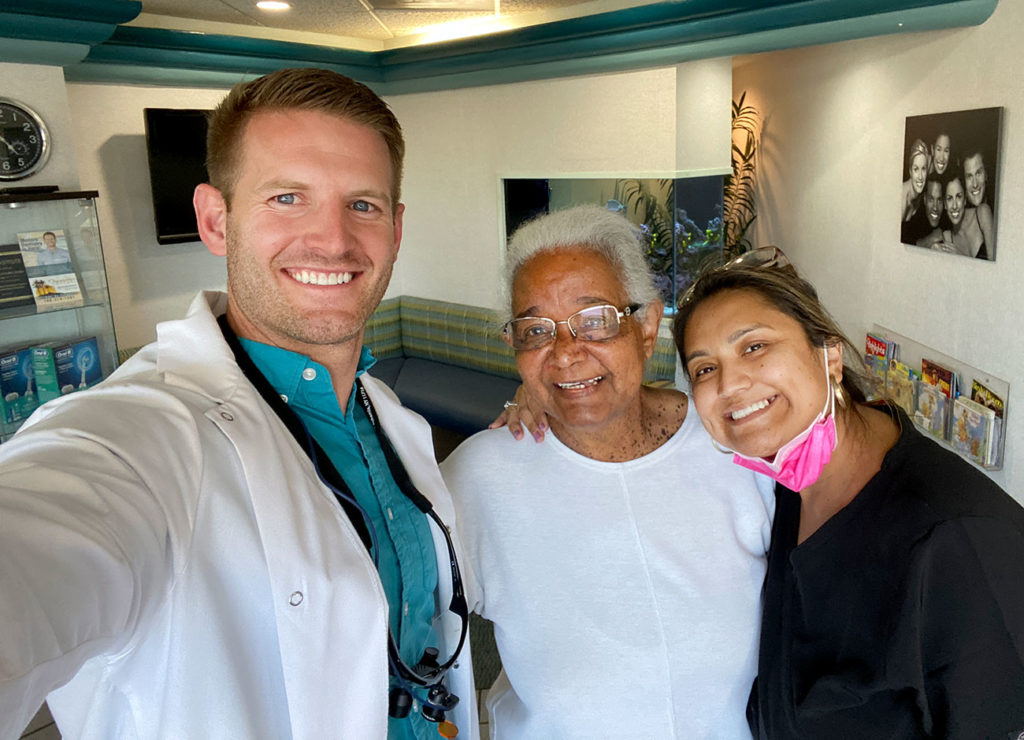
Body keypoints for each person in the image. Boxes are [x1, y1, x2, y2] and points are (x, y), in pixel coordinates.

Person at [0, 68, 476, 740]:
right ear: (215, 220)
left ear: (396, 229)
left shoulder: (386, 415)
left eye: (362, 205)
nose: (333, 239)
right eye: (287, 197)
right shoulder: (140, 440)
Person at [441, 205, 774, 739]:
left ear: (645, 328)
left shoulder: (731, 447)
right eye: (536, 330)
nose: (566, 354)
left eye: (594, 320)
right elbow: (408, 625)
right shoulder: (482, 477)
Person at [673, 248, 1024, 738]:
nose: (730, 383)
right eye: (705, 369)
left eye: (754, 347)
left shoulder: (959, 542)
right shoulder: (791, 484)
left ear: (830, 356)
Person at [942, 166, 988, 259]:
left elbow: (997, 268)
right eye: (949, 199)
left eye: (959, 196)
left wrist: (960, 256)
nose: (954, 206)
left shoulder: (982, 213)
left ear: (965, 200)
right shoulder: (947, 238)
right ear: (945, 204)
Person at [962, 146, 995, 258]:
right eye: (969, 176)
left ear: (986, 175)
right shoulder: (957, 218)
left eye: (978, 173)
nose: (975, 184)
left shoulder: (987, 210)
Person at [901, 138, 929, 223]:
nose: (920, 176)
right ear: (910, 171)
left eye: (923, 169)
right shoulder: (902, 199)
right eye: (916, 169)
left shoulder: (918, 197)